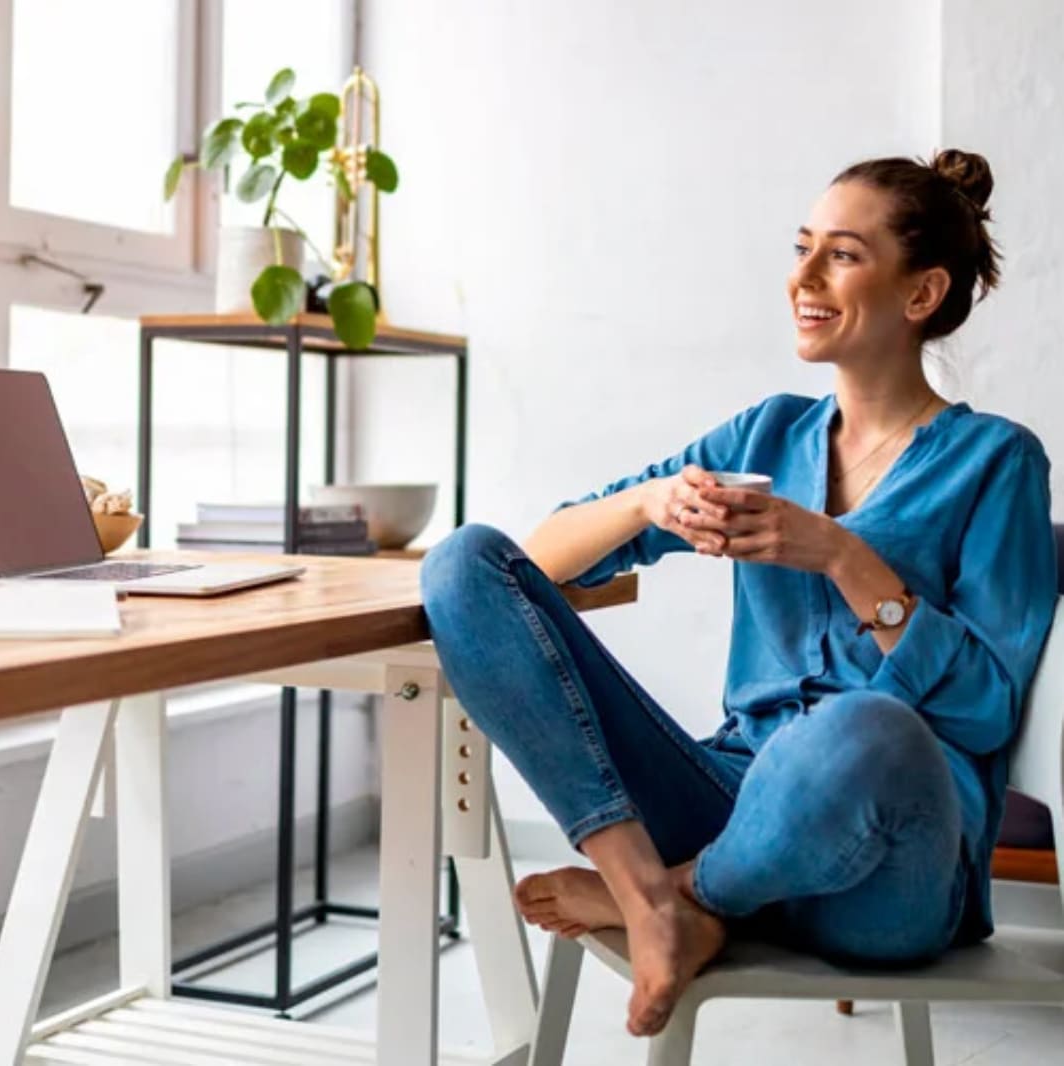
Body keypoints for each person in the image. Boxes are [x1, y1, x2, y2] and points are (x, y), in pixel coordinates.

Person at [419, 149, 1058, 1039]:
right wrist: (651, 503)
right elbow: (538, 563)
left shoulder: (998, 460)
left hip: (894, 863)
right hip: (732, 791)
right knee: (462, 562)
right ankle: (653, 898)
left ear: (920, 295)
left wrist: (842, 556)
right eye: (802, 248)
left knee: (861, 725)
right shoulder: (770, 432)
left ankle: (680, 894)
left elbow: (987, 709)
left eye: (841, 254)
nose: (802, 277)